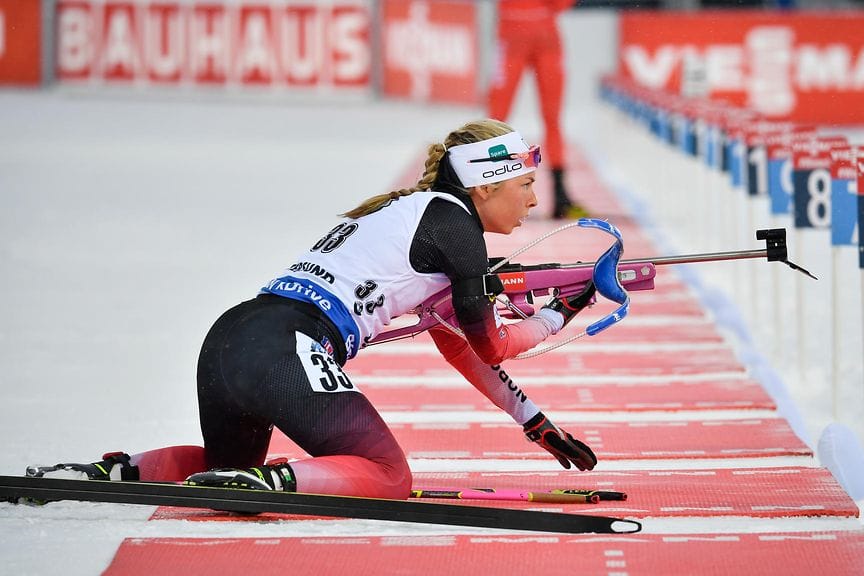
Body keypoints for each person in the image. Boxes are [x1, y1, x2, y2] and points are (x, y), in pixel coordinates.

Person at [28, 119, 598, 500]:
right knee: (390, 477)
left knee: (223, 469)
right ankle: (269, 484)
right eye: (524, 184)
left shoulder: (416, 214)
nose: (532, 200)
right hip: (286, 348)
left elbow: (460, 348)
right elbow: (491, 345)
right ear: (484, 184)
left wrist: (533, 422)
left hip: (233, 335)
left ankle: (115, 470)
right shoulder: (457, 232)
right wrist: (558, 315)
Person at [488, 0, 588, 219]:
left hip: (532, 31)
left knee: (547, 117)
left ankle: (560, 195)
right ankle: (485, 187)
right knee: (497, 117)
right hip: (525, 30)